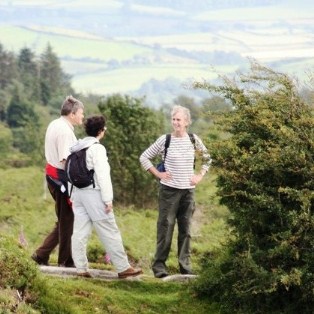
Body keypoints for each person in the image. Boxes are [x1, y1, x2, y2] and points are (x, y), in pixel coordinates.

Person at [139, 105, 212, 278]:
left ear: (187, 122)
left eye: (179, 119)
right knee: (165, 228)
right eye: (174, 119)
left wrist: (200, 175)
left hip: (188, 192)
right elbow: (144, 157)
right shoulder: (165, 140)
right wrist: (158, 174)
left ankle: (185, 267)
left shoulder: (194, 140)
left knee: (185, 229)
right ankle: (159, 268)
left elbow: (208, 159)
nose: (176, 122)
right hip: (169, 191)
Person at [70, 115, 143, 278]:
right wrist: (108, 199)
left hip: (78, 194)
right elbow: (103, 175)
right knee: (109, 229)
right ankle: (123, 267)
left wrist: (73, 195)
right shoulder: (97, 149)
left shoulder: (77, 147)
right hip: (93, 194)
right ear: (101, 131)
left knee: (79, 232)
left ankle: (81, 268)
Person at [32, 95, 84, 267]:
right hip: (60, 179)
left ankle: (41, 255)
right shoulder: (64, 131)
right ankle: (66, 261)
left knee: (64, 219)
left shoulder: (56, 124)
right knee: (68, 219)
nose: (82, 117)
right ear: (72, 113)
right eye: (81, 113)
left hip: (53, 176)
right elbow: (65, 160)